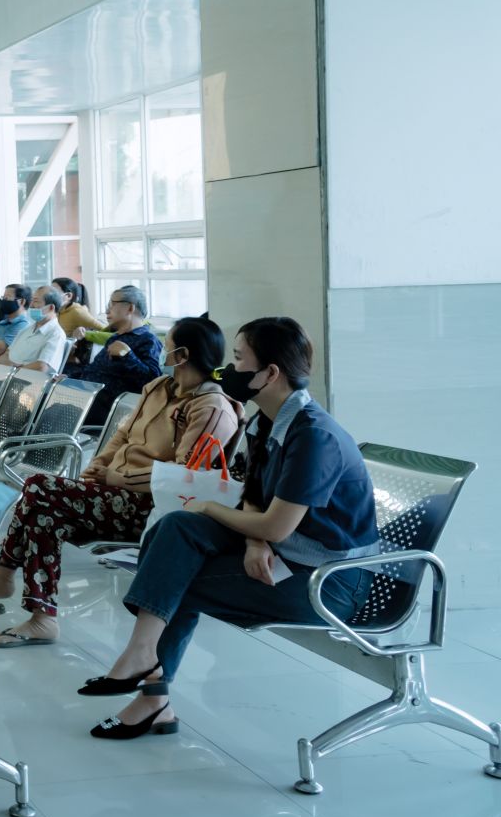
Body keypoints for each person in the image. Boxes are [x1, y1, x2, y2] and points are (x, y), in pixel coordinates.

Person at [81, 317, 378, 740]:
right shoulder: (266, 420)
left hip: (328, 582)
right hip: (283, 552)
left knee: (176, 574)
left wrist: (214, 509)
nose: (227, 370)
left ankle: (151, 695)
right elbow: (255, 492)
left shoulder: (313, 436)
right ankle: (143, 660)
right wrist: (254, 540)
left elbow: (277, 524)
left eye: (238, 360)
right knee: (176, 528)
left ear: (270, 373)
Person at [0, 316, 241, 647]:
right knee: (44, 510)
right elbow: (123, 434)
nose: (162, 351)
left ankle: (3, 575)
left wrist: (118, 477)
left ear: (182, 355)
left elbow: (184, 475)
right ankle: (42, 617)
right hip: (115, 494)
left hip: (153, 508)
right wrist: (98, 465)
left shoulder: (211, 408)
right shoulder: (158, 388)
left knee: (40, 488)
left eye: (167, 345)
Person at [69, 284, 163, 425]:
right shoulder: (115, 337)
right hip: (87, 398)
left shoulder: (148, 339)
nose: (107, 310)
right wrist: (68, 378)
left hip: (111, 409)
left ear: (130, 308)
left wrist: (127, 355)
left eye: (112, 304)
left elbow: (152, 381)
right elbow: (94, 370)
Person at [0, 285, 69, 373]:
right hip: (7, 375)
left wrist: (14, 370)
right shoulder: (26, 330)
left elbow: (42, 367)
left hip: (28, 380)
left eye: (36, 301)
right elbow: (4, 356)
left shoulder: (56, 334)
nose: (31, 305)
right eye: (31, 300)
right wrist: (12, 368)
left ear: (51, 308)